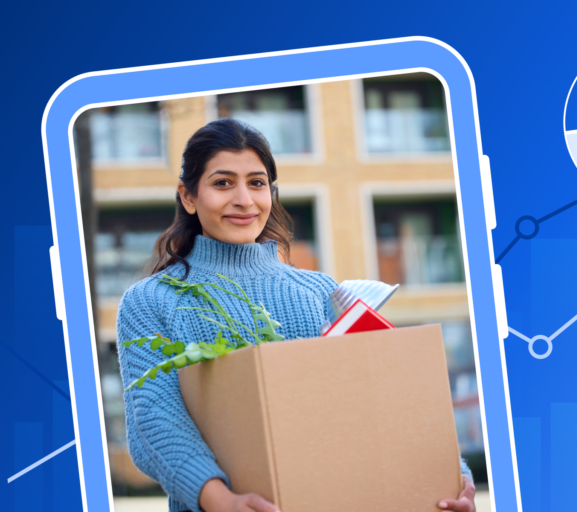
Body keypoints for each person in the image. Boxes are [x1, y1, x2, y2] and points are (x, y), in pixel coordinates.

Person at [116, 118, 476, 512]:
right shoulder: (151, 300)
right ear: (188, 196)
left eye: (256, 183)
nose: (244, 200)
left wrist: (452, 478)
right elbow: (154, 418)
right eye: (223, 183)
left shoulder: (322, 291)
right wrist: (222, 501)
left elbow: (387, 396)